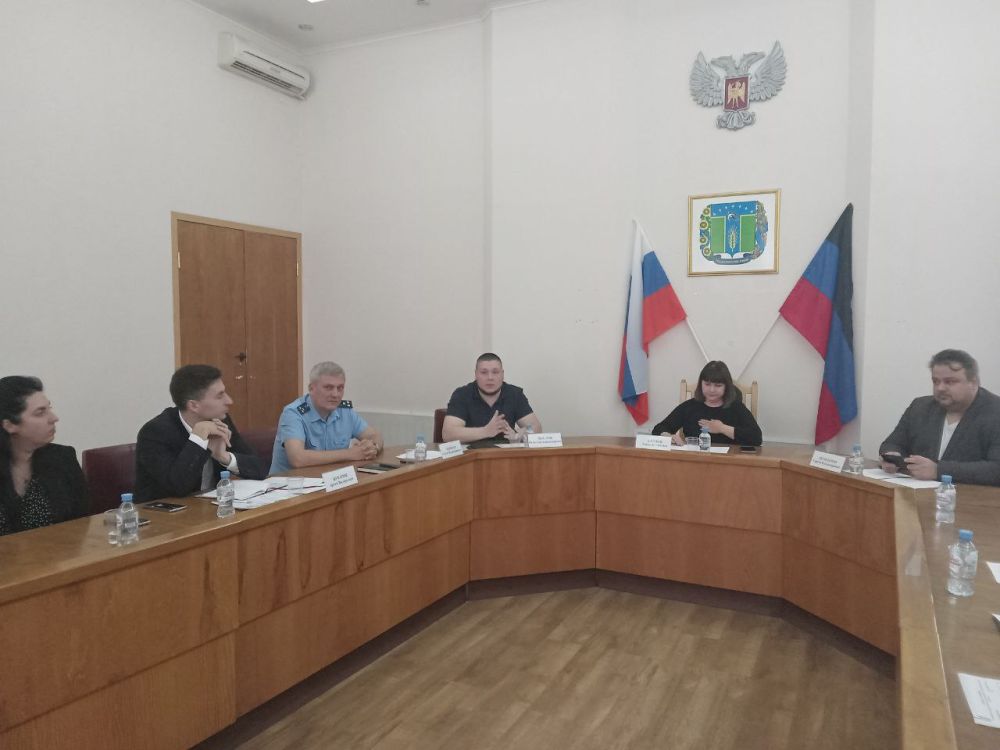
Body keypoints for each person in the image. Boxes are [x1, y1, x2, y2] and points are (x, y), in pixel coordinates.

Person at [135, 364, 266, 501]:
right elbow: (177, 487)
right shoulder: (155, 433)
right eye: (220, 396)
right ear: (194, 405)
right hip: (162, 512)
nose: (229, 401)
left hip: (209, 507)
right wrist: (198, 438)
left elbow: (260, 469)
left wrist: (223, 456)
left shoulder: (220, 420)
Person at [880, 349, 1000, 485]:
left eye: (950, 382)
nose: (940, 388)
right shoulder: (920, 407)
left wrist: (939, 470)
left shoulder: (995, 412)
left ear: (973, 382)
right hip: (916, 492)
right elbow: (893, 443)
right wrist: (892, 456)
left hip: (973, 496)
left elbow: (996, 469)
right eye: (936, 381)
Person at [0, 376, 88, 535]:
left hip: (60, 550)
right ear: (10, 425)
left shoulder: (63, 459)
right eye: (40, 413)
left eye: (49, 408)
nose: (54, 418)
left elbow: (83, 523)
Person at [270, 361, 383, 473]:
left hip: (329, 479)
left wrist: (373, 448)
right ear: (311, 388)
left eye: (340, 388)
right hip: (289, 482)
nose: (335, 394)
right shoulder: (294, 413)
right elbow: (297, 459)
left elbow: (374, 435)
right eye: (328, 387)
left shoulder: (345, 411)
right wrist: (350, 454)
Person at [651, 361, 762, 446]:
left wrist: (722, 428)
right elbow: (659, 428)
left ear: (726, 387)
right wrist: (668, 436)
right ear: (701, 384)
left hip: (727, 464)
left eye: (718, 385)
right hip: (694, 462)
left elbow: (756, 438)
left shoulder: (736, 407)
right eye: (707, 384)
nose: (712, 390)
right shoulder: (689, 406)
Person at [442, 353, 542, 443]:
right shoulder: (462, 394)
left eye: (495, 372)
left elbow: (536, 428)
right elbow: (448, 434)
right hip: (472, 455)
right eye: (484, 372)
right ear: (476, 374)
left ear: (502, 374)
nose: (490, 377)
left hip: (506, 454)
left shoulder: (514, 394)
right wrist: (486, 431)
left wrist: (518, 435)